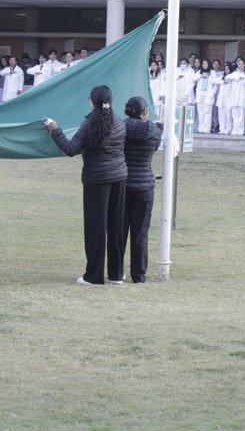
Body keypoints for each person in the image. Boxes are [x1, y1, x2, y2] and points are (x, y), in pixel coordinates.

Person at [46, 85, 128, 285]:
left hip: (96, 180)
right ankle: (116, 275)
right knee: (116, 227)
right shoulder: (119, 122)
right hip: (119, 178)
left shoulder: (90, 123)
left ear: (92, 102)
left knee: (96, 229)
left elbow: (71, 148)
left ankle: (93, 275)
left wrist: (54, 130)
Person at [122, 96, 162, 283]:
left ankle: (117, 270)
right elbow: (155, 145)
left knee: (118, 231)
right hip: (144, 186)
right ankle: (138, 274)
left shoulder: (120, 127)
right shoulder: (153, 131)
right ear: (145, 111)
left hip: (123, 184)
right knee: (140, 233)